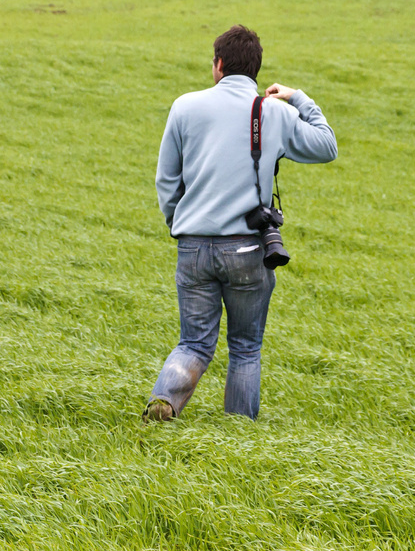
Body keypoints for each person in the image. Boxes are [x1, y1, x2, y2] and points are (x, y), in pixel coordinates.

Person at [144, 25, 337, 422]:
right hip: (249, 248)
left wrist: (177, 224)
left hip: (193, 245)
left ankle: (165, 401)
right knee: (246, 347)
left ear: (218, 65)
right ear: (256, 71)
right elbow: (327, 146)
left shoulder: (184, 106)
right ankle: (237, 436)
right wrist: (297, 97)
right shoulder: (275, 112)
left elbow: (167, 179)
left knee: (194, 343)